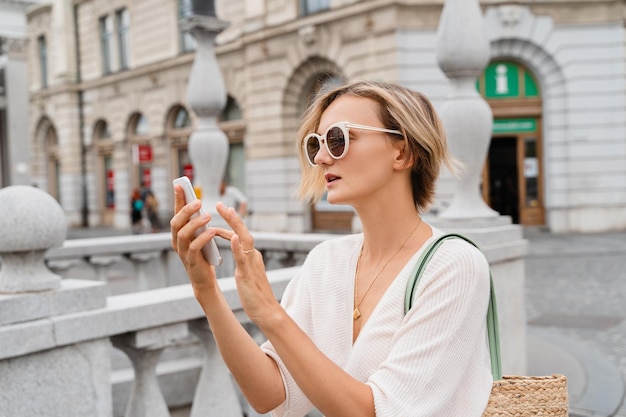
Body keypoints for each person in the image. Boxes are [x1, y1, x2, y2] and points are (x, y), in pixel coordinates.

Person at [171, 81, 493, 416]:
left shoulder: (454, 265)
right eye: (316, 144)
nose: (322, 158)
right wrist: (206, 290)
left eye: (339, 139)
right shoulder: (326, 261)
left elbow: (376, 412)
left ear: (402, 152)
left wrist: (270, 312)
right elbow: (271, 395)